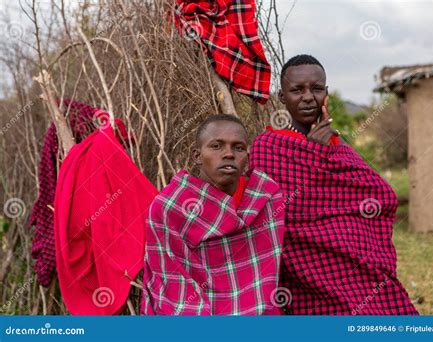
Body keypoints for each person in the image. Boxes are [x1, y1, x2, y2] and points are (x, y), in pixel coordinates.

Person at [249, 55, 418, 315]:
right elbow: (269, 214)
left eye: (316, 89)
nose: (308, 97)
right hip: (298, 271)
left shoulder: (339, 147)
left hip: (355, 266)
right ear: (282, 97)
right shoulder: (267, 147)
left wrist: (324, 150)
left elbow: (381, 195)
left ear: (326, 93)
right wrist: (314, 154)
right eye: (297, 90)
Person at [142, 114, 285, 315]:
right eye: (217, 146)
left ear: (247, 157)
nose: (228, 154)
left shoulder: (265, 197)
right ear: (196, 156)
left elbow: (265, 281)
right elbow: (174, 286)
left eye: (238, 148)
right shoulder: (169, 207)